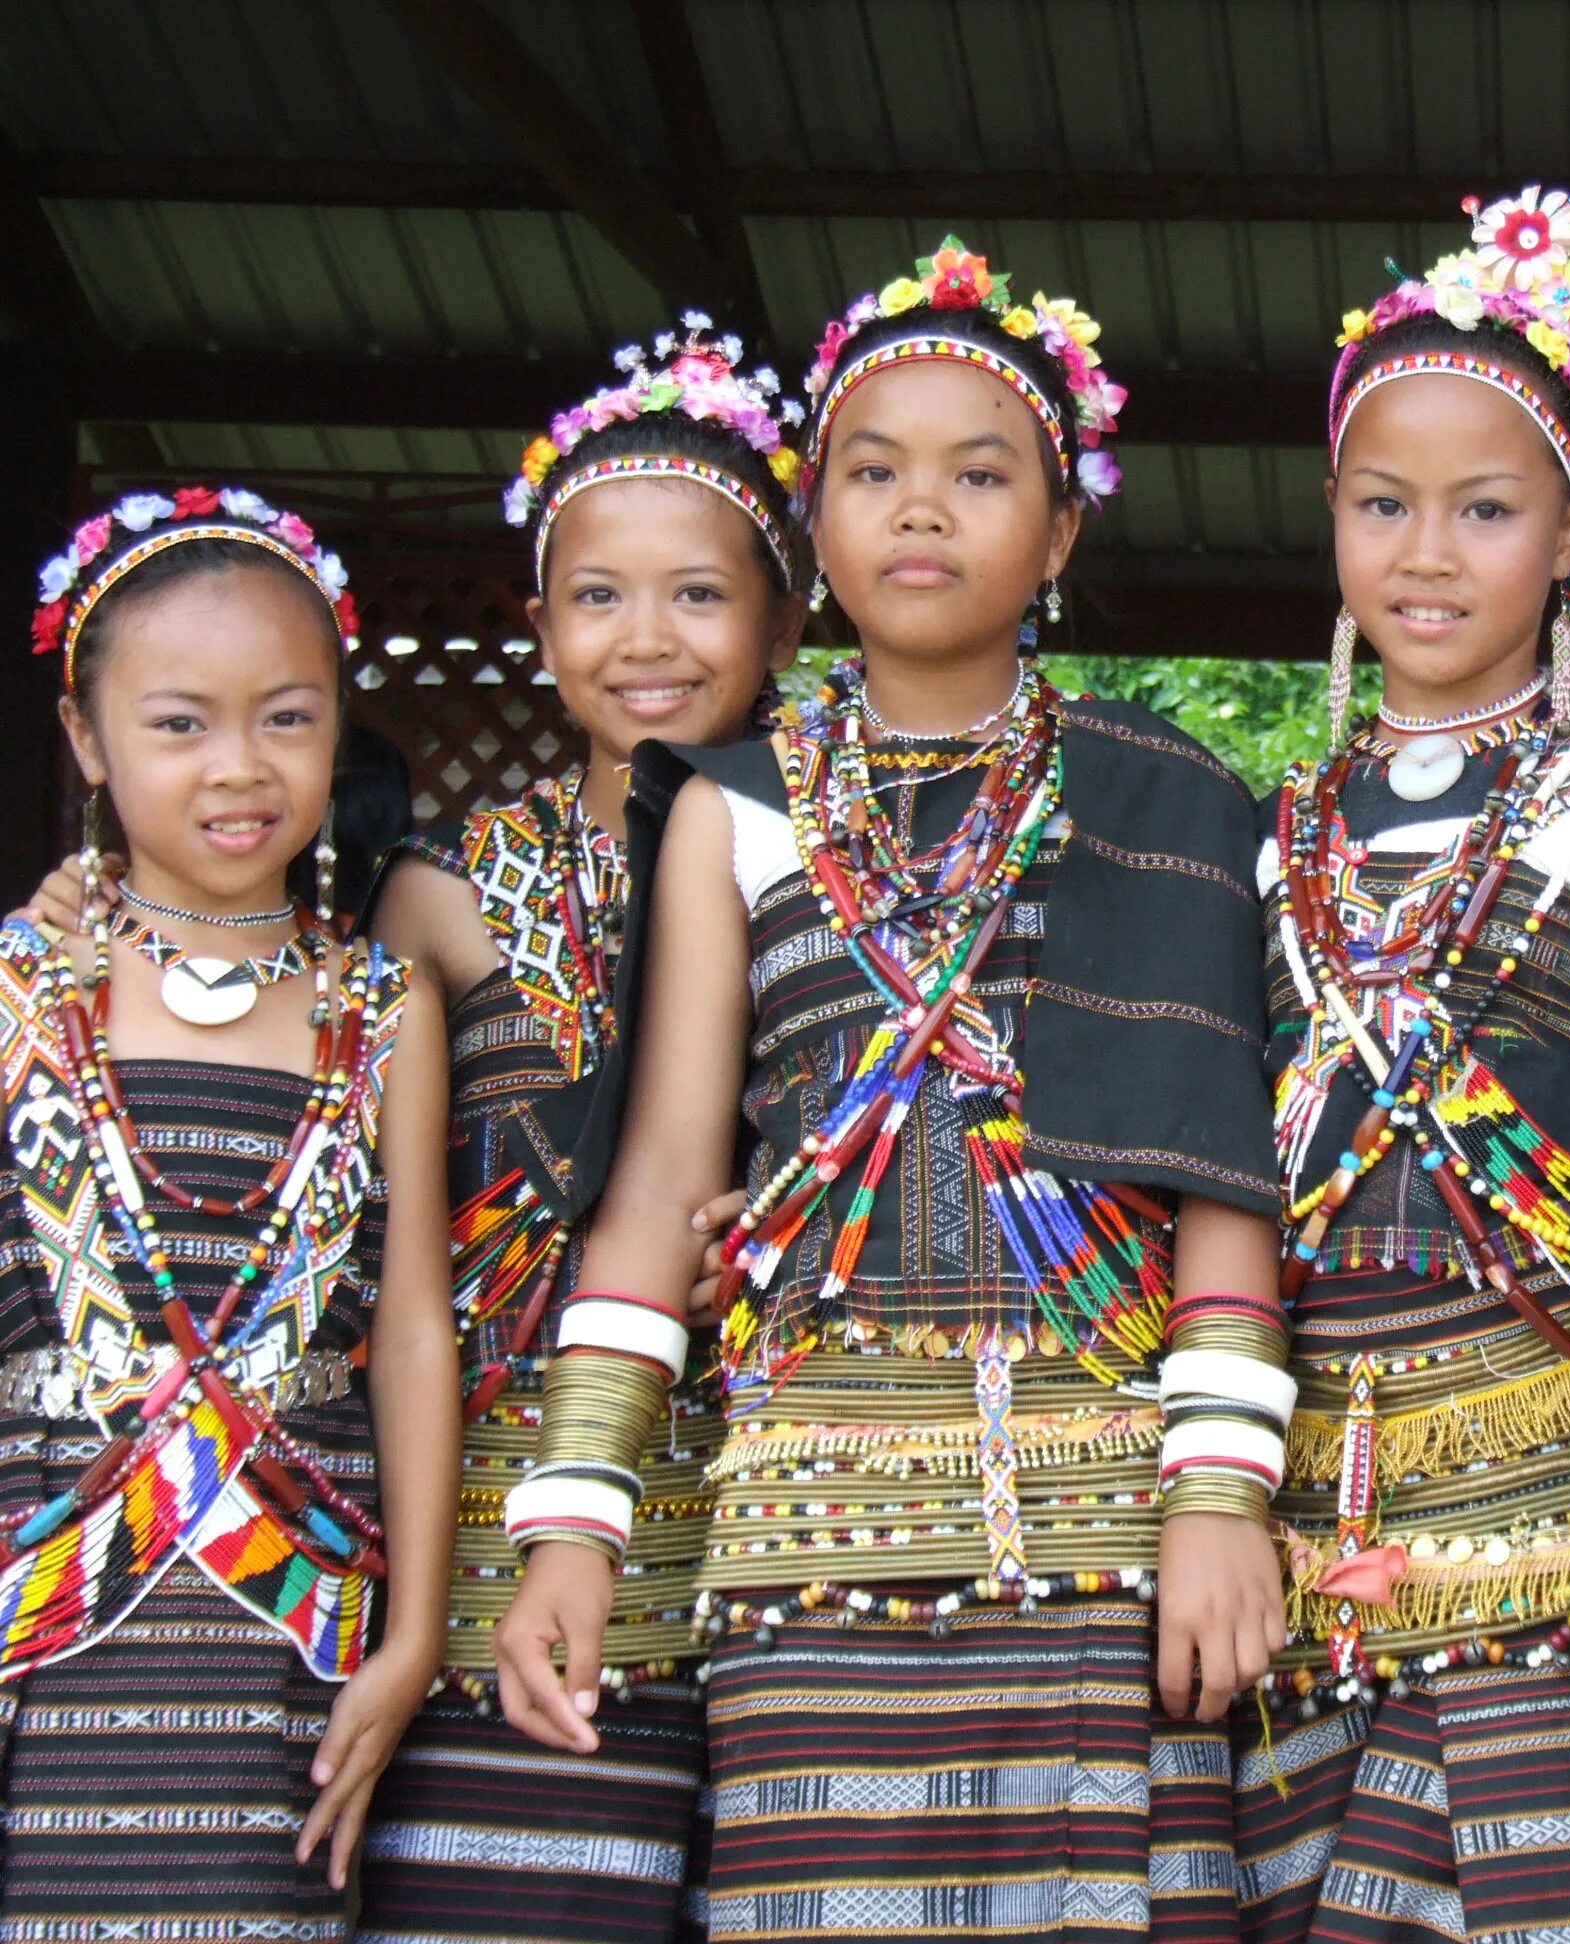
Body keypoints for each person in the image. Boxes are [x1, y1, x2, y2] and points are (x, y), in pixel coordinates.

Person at [493, 239, 1288, 1941]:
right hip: (806, 1513)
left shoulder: (1173, 800)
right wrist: (577, 1522)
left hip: (1102, 1504)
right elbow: (653, 1186)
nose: (920, 512)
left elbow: (1220, 1169)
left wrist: (1223, 1494)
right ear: (816, 525)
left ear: (1063, 534)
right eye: (873, 472)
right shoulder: (733, 809)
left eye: (980, 476)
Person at [1234, 186, 1570, 1943]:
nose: (1427, 553)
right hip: (1302, 1525)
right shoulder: (1265, 840)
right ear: (1331, 517)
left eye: (1487, 509)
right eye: (1385, 506)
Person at [352, 315, 805, 1941]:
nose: (648, 639)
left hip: (778, 1498)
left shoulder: (836, 868)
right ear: (538, 623)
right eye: (598, 596)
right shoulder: (438, 894)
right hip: (508, 1491)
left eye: (700, 593)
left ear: (783, 614)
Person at [0, 488, 456, 1932]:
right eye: (179, 722)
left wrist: (418, 1632)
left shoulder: (383, 1011)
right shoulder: (21, 996)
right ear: (85, 739)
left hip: (296, 1620)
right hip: (40, 1615)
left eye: (289, 717)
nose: (239, 767)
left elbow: (416, 1332)